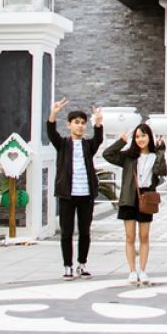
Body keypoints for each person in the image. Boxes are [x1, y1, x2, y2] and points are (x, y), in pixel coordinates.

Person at [103, 122, 167, 285]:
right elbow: (107, 154)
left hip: (147, 198)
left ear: (149, 137)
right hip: (128, 199)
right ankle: (132, 271)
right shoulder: (128, 157)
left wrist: (161, 151)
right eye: (137, 136)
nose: (140, 139)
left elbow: (162, 171)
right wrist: (122, 141)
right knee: (130, 237)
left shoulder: (155, 156)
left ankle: (143, 270)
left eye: (143, 135)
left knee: (144, 236)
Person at [47, 98, 103, 280]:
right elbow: (50, 132)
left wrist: (99, 123)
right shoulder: (62, 144)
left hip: (86, 195)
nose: (80, 126)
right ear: (69, 125)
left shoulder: (88, 145)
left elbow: (99, 139)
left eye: (82, 123)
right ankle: (67, 266)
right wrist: (54, 113)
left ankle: (82, 263)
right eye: (76, 123)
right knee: (66, 231)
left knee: (85, 231)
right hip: (67, 195)